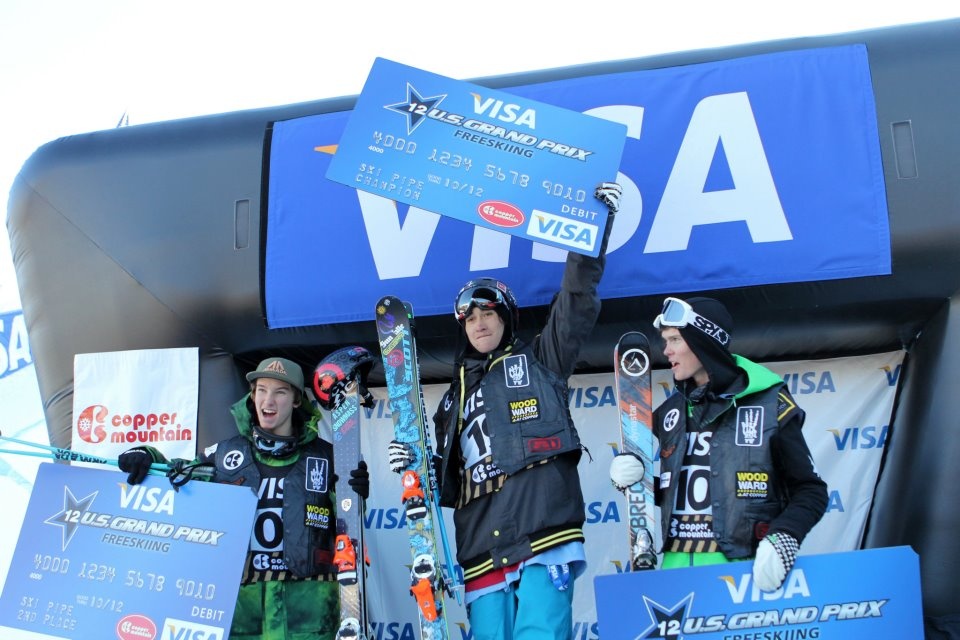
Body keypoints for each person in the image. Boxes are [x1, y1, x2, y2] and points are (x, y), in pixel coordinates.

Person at [388, 182, 622, 640]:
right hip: (479, 544)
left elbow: (576, 301)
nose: (479, 323)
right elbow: (450, 480)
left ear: (506, 318)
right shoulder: (451, 400)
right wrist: (418, 465)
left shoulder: (541, 360)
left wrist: (594, 228)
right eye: (470, 318)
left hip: (541, 529)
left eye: (488, 314)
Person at [119, 356, 370, 640]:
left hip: (310, 613)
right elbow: (177, 478)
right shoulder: (224, 455)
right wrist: (145, 456)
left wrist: (357, 493)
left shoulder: (328, 456)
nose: (268, 401)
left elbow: (350, 525)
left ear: (296, 400)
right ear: (252, 395)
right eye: (261, 390)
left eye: (280, 392)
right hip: (241, 611)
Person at [608, 297, 828, 592]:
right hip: (674, 571)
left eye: (675, 339)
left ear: (704, 341)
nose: (666, 350)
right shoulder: (670, 412)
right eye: (665, 340)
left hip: (739, 573)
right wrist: (633, 481)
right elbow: (674, 491)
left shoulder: (769, 403)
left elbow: (811, 490)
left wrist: (783, 538)